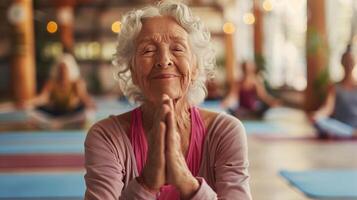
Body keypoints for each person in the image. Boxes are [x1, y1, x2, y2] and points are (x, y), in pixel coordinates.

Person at [84, 1, 252, 199]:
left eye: (178, 49)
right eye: (148, 50)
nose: (164, 60)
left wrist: (185, 180)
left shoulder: (225, 132)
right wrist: (147, 181)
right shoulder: (107, 137)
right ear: (133, 71)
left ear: (195, 66)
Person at [25, 53, 96, 129]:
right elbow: (43, 98)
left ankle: (60, 124)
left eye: (65, 68)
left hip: (71, 113)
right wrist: (28, 103)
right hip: (55, 113)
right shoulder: (52, 82)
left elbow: (83, 97)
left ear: (70, 69)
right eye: (60, 68)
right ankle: (58, 123)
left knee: (88, 113)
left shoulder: (76, 83)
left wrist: (89, 103)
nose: (63, 71)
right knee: (31, 113)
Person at [310, 44, 357, 138]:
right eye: (346, 61)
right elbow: (328, 108)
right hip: (341, 127)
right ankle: (351, 134)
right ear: (342, 63)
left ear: (355, 63)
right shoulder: (335, 87)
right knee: (319, 122)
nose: (348, 64)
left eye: (350, 61)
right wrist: (318, 115)